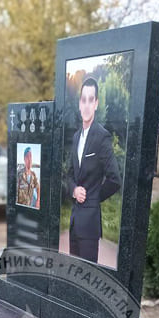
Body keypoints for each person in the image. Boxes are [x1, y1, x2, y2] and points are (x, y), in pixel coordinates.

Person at [66, 77, 121, 262]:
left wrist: (93, 198)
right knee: (72, 275)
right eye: (84, 100)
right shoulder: (76, 137)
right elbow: (69, 174)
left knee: (87, 276)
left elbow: (115, 180)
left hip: (89, 227)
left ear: (96, 104)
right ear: (79, 104)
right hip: (74, 223)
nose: (87, 105)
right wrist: (74, 189)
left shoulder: (102, 137)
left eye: (91, 100)